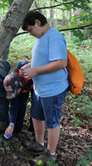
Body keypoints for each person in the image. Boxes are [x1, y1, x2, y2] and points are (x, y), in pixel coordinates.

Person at [19, 10, 69, 165]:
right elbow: (43, 59)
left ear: (37, 22)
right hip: (40, 88)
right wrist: (29, 66)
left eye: (30, 29)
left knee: (52, 122)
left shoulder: (54, 37)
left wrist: (35, 70)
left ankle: (50, 154)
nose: (30, 33)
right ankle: (39, 144)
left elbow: (61, 62)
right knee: (36, 115)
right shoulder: (41, 37)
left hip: (53, 89)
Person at [3, 67, 34, 139]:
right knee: (21, 107)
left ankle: (34, 129)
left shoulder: (30, 76)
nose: (14, 95)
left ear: (20, 84)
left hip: (35, 85)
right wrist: (11, 124)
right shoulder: (12, 82)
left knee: (36, 107)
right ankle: (15, 130)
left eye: (14, 92)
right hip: (23, 89)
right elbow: (14, 107)